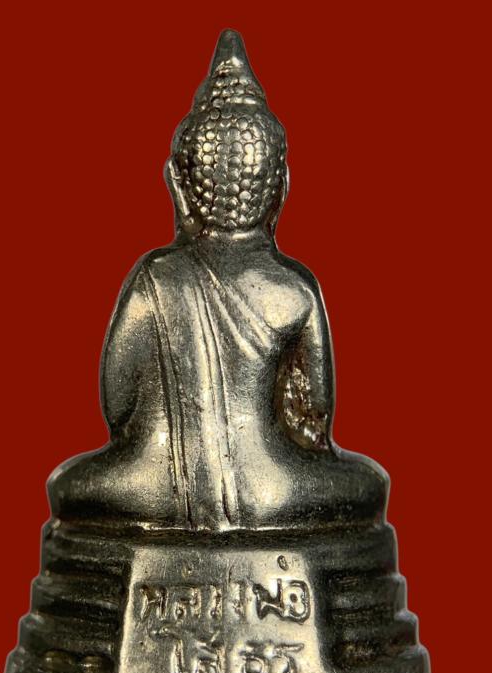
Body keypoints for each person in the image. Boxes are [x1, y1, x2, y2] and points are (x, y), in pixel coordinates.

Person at [48, 30, 387, 531]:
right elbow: (312, 423)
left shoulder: (154, 278)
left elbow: (118, 407)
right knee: (368, 483)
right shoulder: (294, 290)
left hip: (155, 489)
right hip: (273, 489)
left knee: (67, 484)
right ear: (280, 187)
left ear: (179, 182)